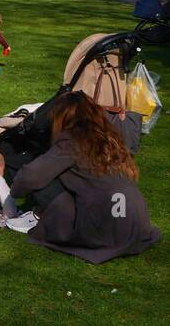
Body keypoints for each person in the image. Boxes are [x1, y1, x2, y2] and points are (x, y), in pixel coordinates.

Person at [10, 91, 160, 263]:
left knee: (47, 183)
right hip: (136, 222)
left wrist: (14, 192)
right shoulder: (111, 138)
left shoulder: (72, 140)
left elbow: (31, 176)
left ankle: (43, 218)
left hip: (107, 224)